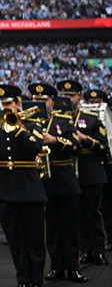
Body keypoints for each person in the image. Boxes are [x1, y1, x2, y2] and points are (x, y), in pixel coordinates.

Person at [0, 84, 46, 287]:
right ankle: (23, 279)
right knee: (15, 240)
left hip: (29, 189)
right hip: (4, 190)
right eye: (2, 105)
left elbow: (36, 146)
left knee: (35, 240)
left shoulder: (31, 125)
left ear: (18, 104)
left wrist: (17, 129)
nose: (5, 109)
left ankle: (36, 280)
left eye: (8, 104)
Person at [28, 81, 86, 282]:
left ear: (52, 102)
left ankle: (73, 267)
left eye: (43, 100)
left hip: (65, 179)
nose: (39, 103)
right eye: (35, 100)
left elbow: (76, 147)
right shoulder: (29, 124)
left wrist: (55, 141)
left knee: (70, 227)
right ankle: (57, 267)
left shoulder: (63, 121)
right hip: (43, 182)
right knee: (51, 228)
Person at [71, 85, 108, 264]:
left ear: (79, 98)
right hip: (71, 173)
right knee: (77, 215)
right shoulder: (60, 119)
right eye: (65, 95)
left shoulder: (91, 119)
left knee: (93, 213)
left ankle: (98, 250)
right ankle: (85, 250)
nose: (68, 99)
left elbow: (103, 147)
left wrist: (85, 139)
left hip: (90, 171)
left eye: (71, 96)